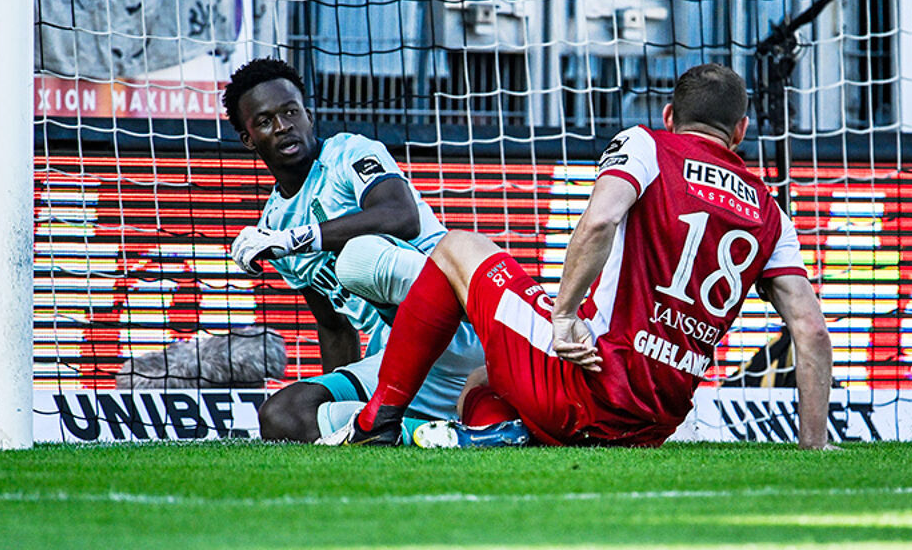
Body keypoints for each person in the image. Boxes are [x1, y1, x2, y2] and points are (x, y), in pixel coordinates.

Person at [329, 63, 834, 449]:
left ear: (669, 116)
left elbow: (599, 220)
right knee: (483, 384)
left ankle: (376, 420)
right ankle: (500, 435)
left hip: (588, 383)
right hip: (652, 422)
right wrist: (812, 447)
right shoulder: (771, 213)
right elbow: (810, 331)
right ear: (741, 131)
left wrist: (565, 315)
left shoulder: (649, 145)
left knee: (458, 246)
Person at [222, 57, 490, 442]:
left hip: (463, 327)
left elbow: (401, 216)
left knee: (358, 258)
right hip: (404, 363)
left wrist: (295, 239)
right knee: (283, 414)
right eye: (265, 121)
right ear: (249, 139)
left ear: (308, 116)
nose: (282, 127)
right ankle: (440, 433)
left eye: (290, 112)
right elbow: (333, 327)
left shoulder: (349, 153)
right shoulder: (274, 226)